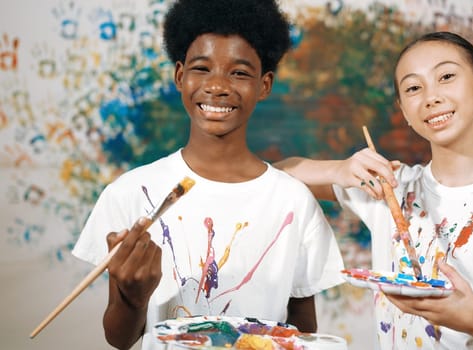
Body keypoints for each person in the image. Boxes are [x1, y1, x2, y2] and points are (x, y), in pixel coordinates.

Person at [275, 31, 473, 349]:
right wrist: (339, 169)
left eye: (446, 76)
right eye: (413, 88)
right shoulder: (391, 187)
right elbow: (278, 175)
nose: (430, 97)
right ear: (404, 111)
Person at [71, 1, 344, 349]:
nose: (217, 86)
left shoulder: (294, 201)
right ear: (180, 76)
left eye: (239, 72)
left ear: (264, 85)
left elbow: (303, 331)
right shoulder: (132, 193)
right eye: (202, 68)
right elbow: (119, 338)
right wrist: (133, 296)